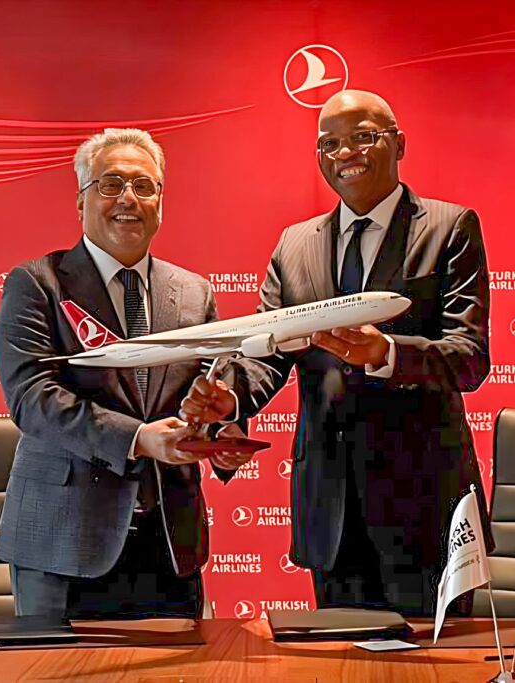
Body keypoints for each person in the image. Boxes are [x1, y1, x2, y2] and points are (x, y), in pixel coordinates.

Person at [182, 90, 493, 617]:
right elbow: (267, 353)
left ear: (399, 144)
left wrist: (386, 352)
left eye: (363, 137)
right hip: (329, 507)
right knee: (338, 653)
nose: (345, 152)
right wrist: (229, 399)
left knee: (438, 659)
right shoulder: (294, 245)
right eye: (329, 143)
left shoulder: (449, 228)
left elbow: (468, 356)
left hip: (425, 503)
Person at [0, 128, 266, 619]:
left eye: (144, 186)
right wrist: (138, 439)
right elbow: (32, 398)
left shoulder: (194, 293)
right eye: (111, 184)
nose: (128, 199)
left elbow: (206, 390)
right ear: (81, 200)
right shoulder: (37, 283)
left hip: (170, 544)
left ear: (160, 203)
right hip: (64, 546)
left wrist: (221, 434)